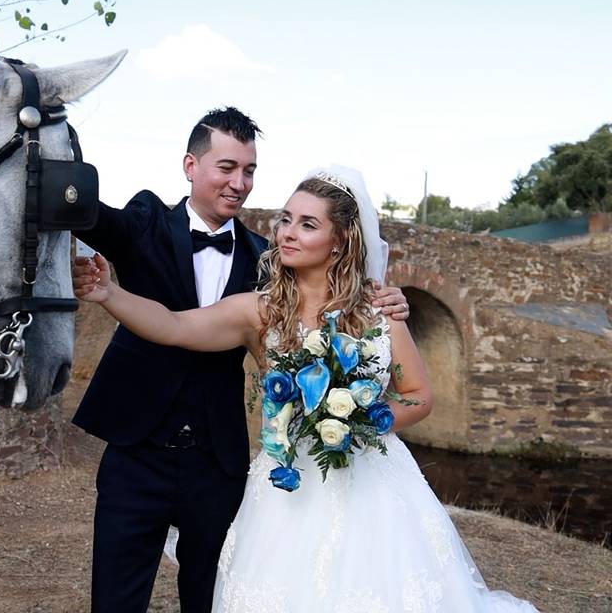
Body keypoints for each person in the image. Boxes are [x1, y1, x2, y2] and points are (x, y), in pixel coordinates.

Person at [73, 165, 540, 612]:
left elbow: (418, 395)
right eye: (286, 220)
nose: (288, 233)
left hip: (372, 486)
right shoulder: (261, 311)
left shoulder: (379, 310)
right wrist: (110, 294)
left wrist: (362, 419)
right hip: (286, 487)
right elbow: (174, 326)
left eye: (307, 224)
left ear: (339, 242)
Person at [71, 108, 410, 613]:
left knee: (220, 596)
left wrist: (390, 302)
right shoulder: (144, 221)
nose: (239, 183)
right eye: (226, 167)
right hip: (135, 449)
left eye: (249, 170)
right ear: (191, 165)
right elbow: (96, 224)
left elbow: (331, 299)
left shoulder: (268, 262)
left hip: (219, 460)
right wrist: (57, 176)